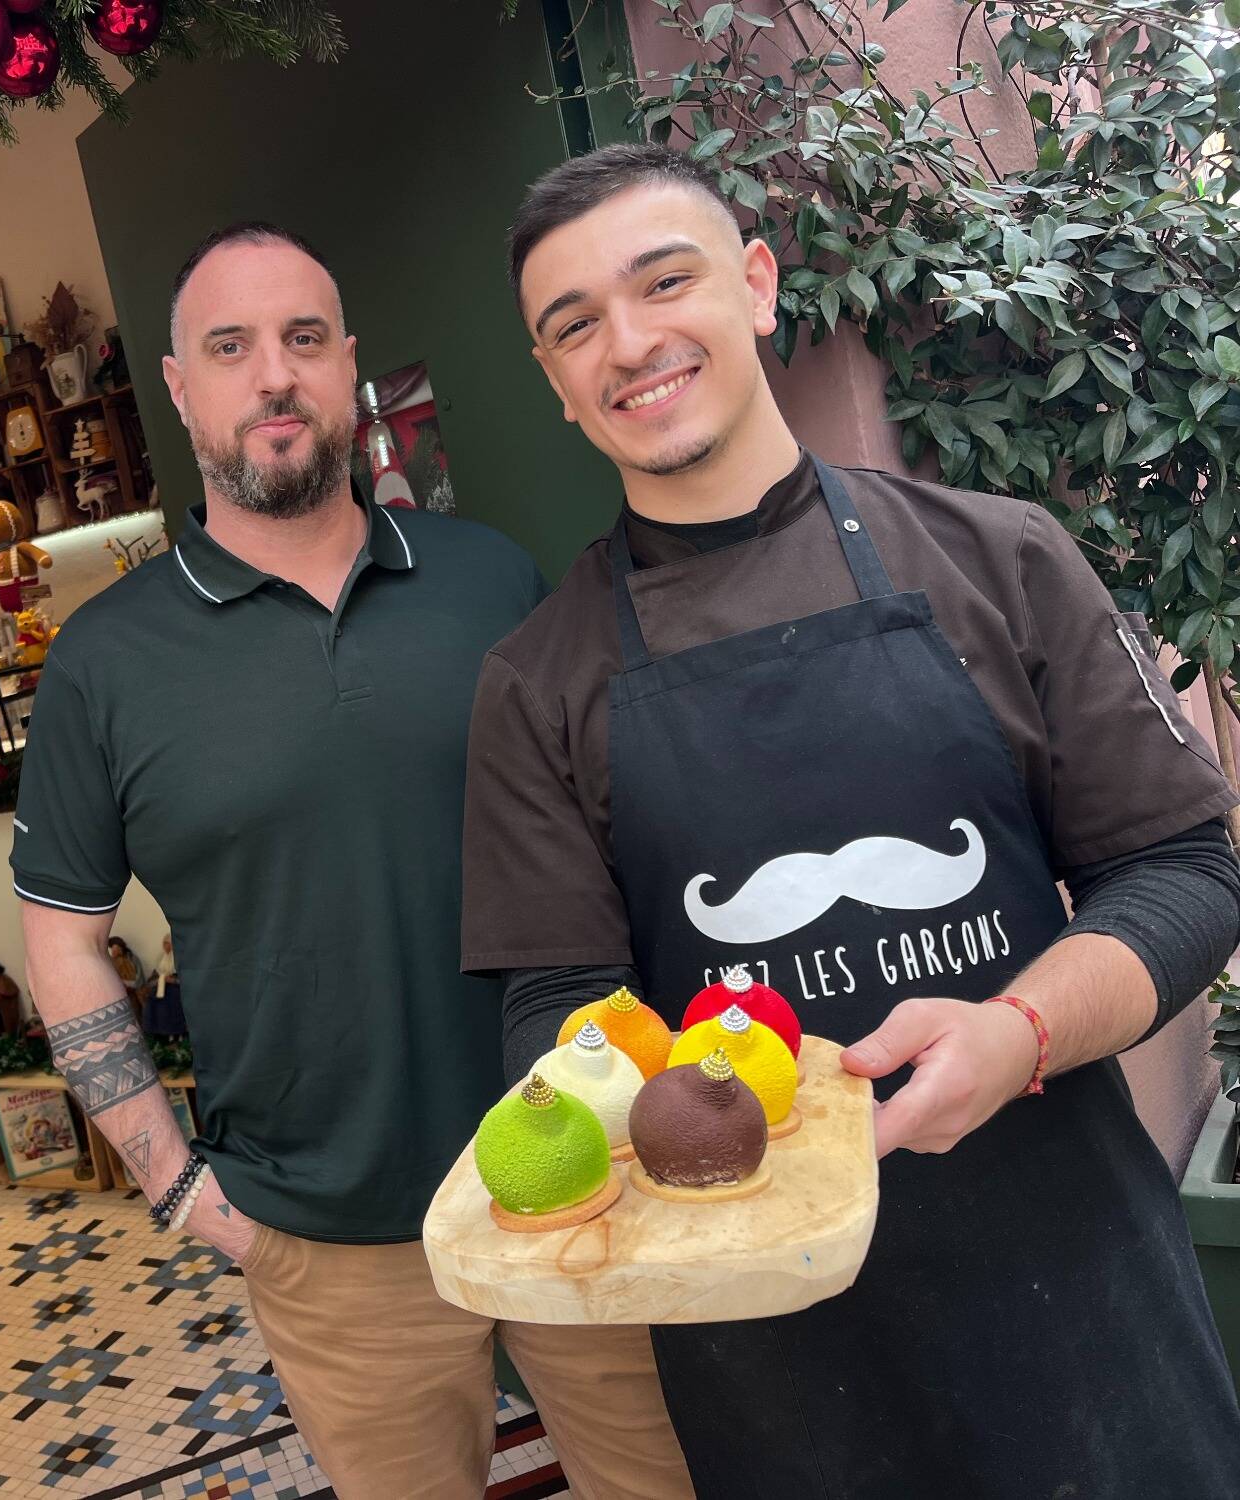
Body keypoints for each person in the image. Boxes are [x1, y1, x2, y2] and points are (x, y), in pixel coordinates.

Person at [464, 142, 1240, 1497]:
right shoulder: (536, 684)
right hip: (773, 1350)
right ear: (554, 380)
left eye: (664, 282)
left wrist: (1018, 1031)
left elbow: (1182, 875)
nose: (627, 343)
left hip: (1073, 1289)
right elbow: (555, 1005)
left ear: (758, 285)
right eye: (574, 325)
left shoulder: (997, 556)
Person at [15, 222, 693, 1500]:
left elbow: (619, 838)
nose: (274, 375)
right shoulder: (104, 662)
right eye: (231, 347)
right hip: (323, 1238)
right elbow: (61, 938)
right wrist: (176, 1187)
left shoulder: (489, 578)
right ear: (179, 388)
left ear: (348, 368)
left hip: (583, 1175)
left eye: (304, 339)